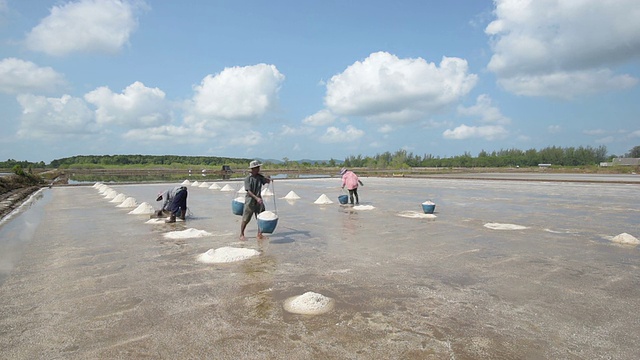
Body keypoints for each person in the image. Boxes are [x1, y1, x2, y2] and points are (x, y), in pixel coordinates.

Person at [240, 160, 271, 240]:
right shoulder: (248, 179)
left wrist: (268, 179)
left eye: (258, 167)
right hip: (250, 200)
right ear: (252, 169)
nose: (258, 169)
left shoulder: (259, 177)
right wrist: (256, 198)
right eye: (257, 168)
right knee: (246, 218)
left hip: (259, 200)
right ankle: (241, 234)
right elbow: (248, 191)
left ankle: (259, 234)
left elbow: (266, 181)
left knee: (260, 217)